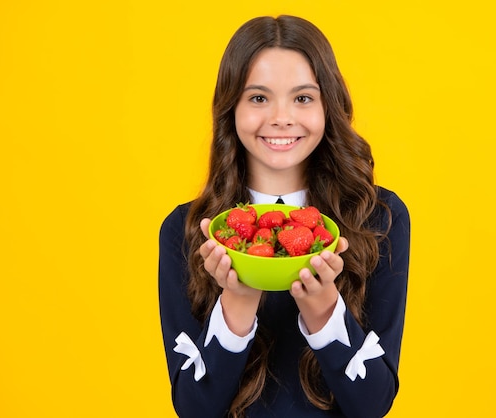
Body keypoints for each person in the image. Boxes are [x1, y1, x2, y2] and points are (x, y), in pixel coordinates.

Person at [159, 15, 410, 418]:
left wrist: (324, 307)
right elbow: (194, 408)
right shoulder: (186, 231)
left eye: (303, 98)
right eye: (258, 98)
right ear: (231, 108)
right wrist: (238, 298)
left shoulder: (378, 218)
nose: (281, 117)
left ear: (329, 105)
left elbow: (372, 405)